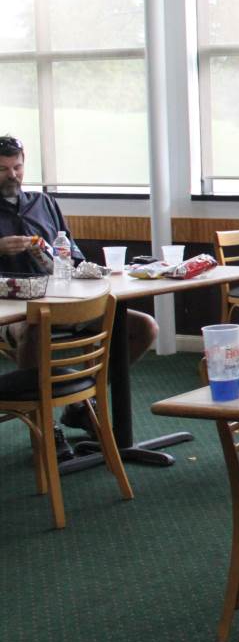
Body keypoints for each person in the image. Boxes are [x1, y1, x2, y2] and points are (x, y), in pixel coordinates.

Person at [0, 134, 159, 460]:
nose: (12, 175)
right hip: (13, 311)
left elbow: (69, 253)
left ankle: (81, 401)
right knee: (33, 331)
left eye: (17, 167)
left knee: (143, 328)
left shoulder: (43, 203)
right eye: (3, 170)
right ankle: (46, 424)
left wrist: (54, 254)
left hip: (65, 302)